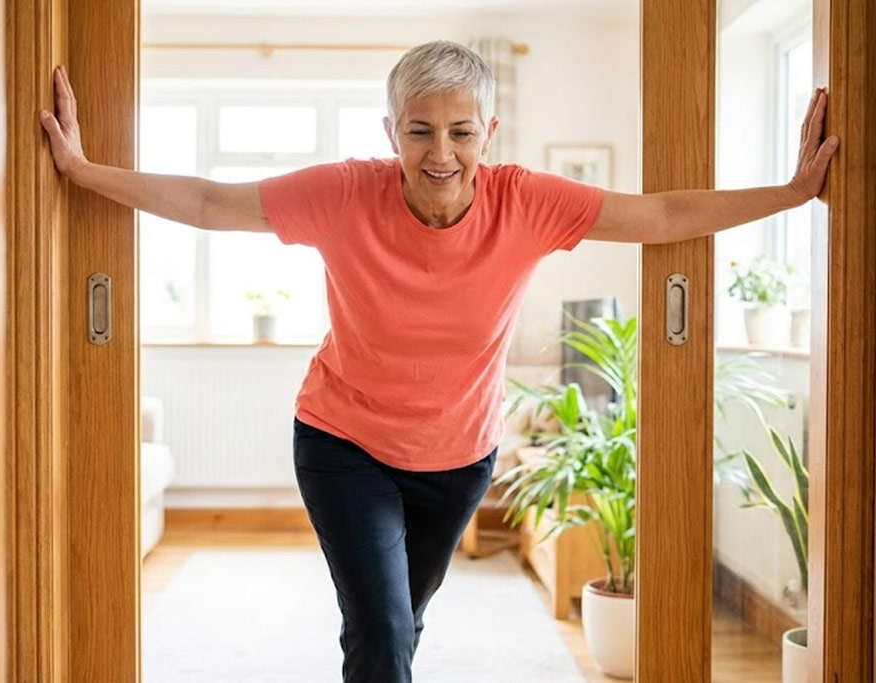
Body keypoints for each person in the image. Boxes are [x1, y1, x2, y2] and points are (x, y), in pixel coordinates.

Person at [40, 40, 837, 683]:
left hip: (459, 461)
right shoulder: (344, 192)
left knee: (398, 622)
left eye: (461, 131)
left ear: (489, 135)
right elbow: (214, 202)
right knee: (385, 634)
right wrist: (81, 170)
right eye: (420, 130)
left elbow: (661, 214)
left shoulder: (527, 201)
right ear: (392, 133)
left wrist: (793, 192)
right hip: (342, 443)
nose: (441, 151)